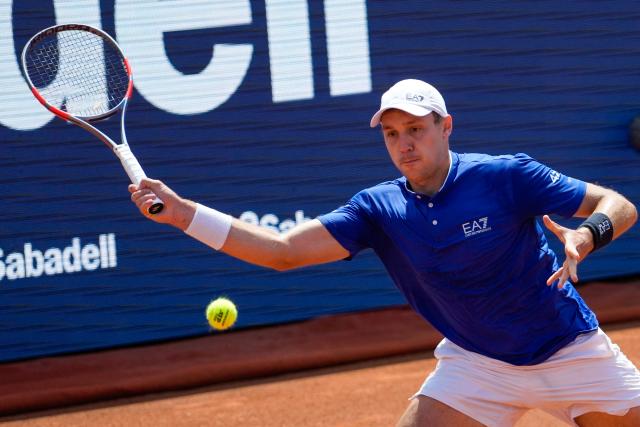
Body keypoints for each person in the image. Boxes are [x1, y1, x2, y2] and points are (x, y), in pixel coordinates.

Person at [130, 79, 640, 427]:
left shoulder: (505, 175)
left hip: (569, 351)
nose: (404, 144)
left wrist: (588, 234)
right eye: (392, 134)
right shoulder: (377, 208)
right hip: (477, 364)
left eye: (416, 129)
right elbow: (282, 251)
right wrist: (183, 214)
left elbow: (617, 204)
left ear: (446, 127)